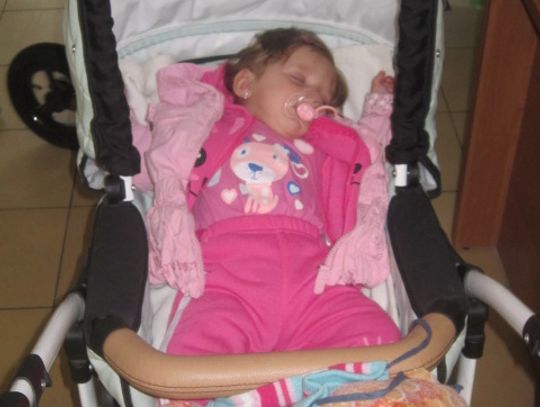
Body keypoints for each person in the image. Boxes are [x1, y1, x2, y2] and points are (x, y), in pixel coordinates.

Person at [143, 27, 401, 357]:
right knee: (196, 347)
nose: (312, 96)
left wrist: (380, 107)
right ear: (245, 84)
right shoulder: (206, 128)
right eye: (297, 79)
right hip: (226, 277)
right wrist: (119, 125)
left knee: (378, 336)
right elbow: (157, 160)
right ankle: (246, 385)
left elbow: (365, 155)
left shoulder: (321, 145)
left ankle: (324, 382)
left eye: (323, 97)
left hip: (313, 275)